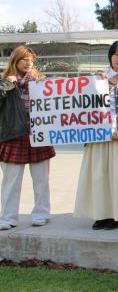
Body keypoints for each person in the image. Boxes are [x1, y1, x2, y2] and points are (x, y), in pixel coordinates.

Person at [74, 41, 118, 230]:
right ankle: (100, 214)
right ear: (110, 56)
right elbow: (83, 104)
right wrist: (94, 82)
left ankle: (115, 216)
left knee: (117, 178)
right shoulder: (98, 78)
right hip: (98, 137)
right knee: (99, 177)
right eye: (116, 54)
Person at [0, 46, 56, 230]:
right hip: (13, 136)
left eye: (30, 59)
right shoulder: (5, 83)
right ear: (14, 61)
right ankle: (8, 217)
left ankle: (41, 214)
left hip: (38, 134)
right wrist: (6, 84)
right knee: (11, 181)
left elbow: (63, 95)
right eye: (23, 58)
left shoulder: (41, 83)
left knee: (41, 179)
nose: (27, 62)